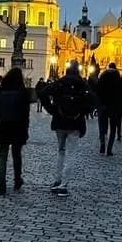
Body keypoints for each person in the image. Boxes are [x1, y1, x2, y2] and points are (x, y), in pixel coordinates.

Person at [39, 62, 92, 196]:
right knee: (71, 154)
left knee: (61, 151)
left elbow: (42, 93)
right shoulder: (82, 83)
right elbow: (95, 100)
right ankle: (64, 185)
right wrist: (84, 112)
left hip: (59, 121)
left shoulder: (60, 82)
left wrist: (52, 110)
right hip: (75, 123)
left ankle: (57, 180)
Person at [0, 67, 30, 195]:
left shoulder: (0, 90)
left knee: (2, 156)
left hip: (3, 126)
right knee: (16, 155)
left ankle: (2, 185)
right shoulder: (23, 92)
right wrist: (26, 129)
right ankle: (17, 180)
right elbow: (26, 114)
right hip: (18, 127)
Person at [96, 63, 122, 156]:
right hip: (115, 106)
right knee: (113, 128)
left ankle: (102, 145)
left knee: (102, 126)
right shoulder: (120, 79)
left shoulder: (102, 78)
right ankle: (109, 149)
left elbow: (97, 91)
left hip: (103, 105)